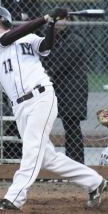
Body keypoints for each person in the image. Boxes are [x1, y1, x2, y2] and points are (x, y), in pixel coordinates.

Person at [0, 6, 107, 211]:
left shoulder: (28, 38)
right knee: (47, 158)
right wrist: (45, 18)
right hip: (19, 107)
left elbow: (46, 46)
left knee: (31, 149)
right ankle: (95, 182)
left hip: (41, 97)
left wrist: (52, 24)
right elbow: (10, 37)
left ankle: (14, 199)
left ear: (5, 19)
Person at [41, 18, 87, 164]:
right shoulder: (49, 37)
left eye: (63, 19)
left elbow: (64, 62)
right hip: (54, 87)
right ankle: (44, 160)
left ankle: (75, 163)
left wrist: (48, 74)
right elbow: (44, 56)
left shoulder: (75, 39)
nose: (60, 22)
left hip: (72, 89)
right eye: (57, 19)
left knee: (71, 125)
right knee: (41, 124)